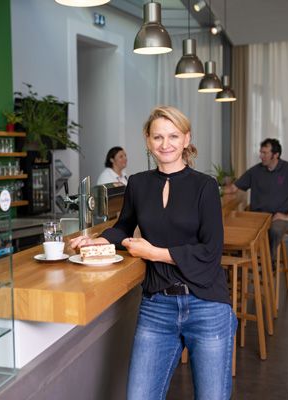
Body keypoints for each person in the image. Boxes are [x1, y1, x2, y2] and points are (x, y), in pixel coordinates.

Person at [71, 106, 236, 400]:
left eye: (173, 136)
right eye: (158, 137)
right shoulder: (138, 183)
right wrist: (99, 240)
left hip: (207, 306)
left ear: (186, 139)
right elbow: (123, 226)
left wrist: (154, 252)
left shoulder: (205, 186)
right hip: (157, 305)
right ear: (148, 140)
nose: (165, 144)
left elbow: (210, 252)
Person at [224, 138, 288, 258]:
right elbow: (233, 188)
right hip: (257, 216)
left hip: (279, 217)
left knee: (275, 230)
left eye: (265, 153)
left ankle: (268, 264)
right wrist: (213, 189)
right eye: (261, 152)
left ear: (276, 155)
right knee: (237, 228)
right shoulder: (255, 171)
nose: (261, 156)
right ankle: (243, 267)